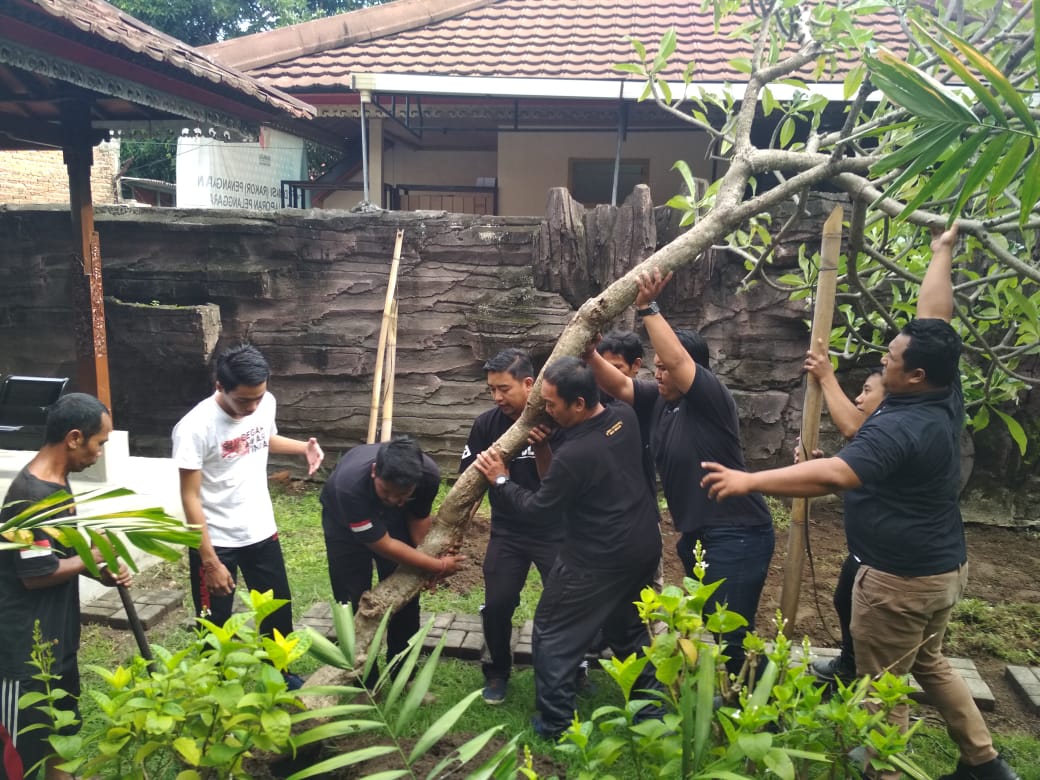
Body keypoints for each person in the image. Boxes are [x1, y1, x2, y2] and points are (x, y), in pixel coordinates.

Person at [701, 224, 1019, 780]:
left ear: (915, 375)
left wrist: (750, 481)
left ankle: (883, 770)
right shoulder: (943, 385)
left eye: (893, 360)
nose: (884, 361)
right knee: (930, 663)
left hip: (898, 582)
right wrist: (942, 251)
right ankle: (985, 763)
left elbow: (834, 475)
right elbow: (935, 316)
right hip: (943, 567)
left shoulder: (902, 429)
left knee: (880, 687)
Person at [584, 270, 775, 679]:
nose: (659, 374)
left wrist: (648, 308)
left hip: (738, 534)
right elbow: (619, 385)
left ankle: (757, 718)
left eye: (666, 369)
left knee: (733, 638)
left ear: (691, 372)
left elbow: (677, 360)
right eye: (655, 368)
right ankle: (726, 699)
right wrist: (588, 353)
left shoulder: (710, 401)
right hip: (699, 536)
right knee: (716, 627)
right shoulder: (661, 402)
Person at [473, 357, 661, 740]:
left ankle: (555, 723)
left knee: (553, 634)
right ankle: (650, 714)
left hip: (596, 559)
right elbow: (573, 448)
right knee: (629, 633)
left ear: (578, 403)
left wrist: (501, 480)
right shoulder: (623, 417)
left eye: (552, 404)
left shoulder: (576, 457)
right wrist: (546, 446)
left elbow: (540, 510)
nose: (544, 409)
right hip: (641, 547)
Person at [172, 343, 323, 689]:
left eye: (259, 397)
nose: (253, 407)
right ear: (219, 386)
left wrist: (303, 448)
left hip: (260, 530)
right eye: (244, 401)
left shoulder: (262, 403)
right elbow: (189, 497)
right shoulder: (194, 428)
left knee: (277, 612)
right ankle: (214, 689)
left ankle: (280, 677)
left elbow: (261, 439)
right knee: (215, 622)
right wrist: (209, 561)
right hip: (216, 540)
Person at [0, 393, 132, 780]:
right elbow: (35, 573)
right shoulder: (29, 497)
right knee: (19, 760)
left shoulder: (57, 484)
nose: (99, 453)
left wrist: (96, 566)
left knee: (62, 741)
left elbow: (61, 555)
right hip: (24, 654)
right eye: (100, 443)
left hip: (58, 644)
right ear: (75, 438)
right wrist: (95, 557)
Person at [459, 349, 563, 705]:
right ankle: (497, 671)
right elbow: (468, 486)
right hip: (508, 532)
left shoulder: (557, 419)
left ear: (529, 384)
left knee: (564, 604)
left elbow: (563, 485)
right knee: (499, 604)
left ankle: (571, 669)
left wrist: (545, 448)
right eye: (492, 389)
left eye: (504, 388)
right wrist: (455, 532)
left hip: (556, 533)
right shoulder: (486, 425)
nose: (497, 397)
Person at [321, 436, 465, 688]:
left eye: (402, 494)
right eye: (386, 491)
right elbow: (382, 544)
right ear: (375, 471)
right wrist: (438, 566)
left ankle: (403, 675)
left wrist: (425, 564)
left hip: (394, 522)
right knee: (351, 599)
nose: (392, 499)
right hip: (343, 524)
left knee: (406, 593)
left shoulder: (427, 475)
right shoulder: (349, 486)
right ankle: (364, 683)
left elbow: (418, 519)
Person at [800, 356, 884, 685]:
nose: (859, 399)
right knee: (843, 599)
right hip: (865, 549)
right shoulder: (872, 443)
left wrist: (826, 375)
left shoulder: (887, 433)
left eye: (866, 391)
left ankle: (868, 679)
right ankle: (850, 665)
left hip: (884, 557)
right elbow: (857, 486)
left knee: (868, 620)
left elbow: (853, 425)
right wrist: (822, 468)